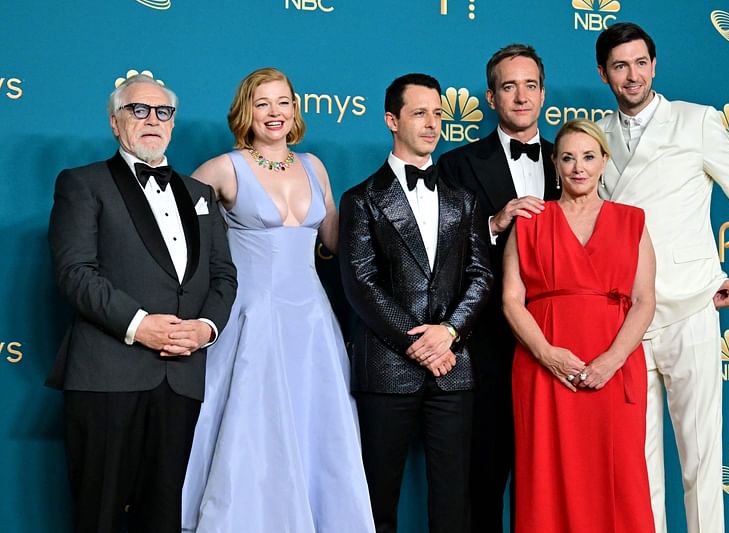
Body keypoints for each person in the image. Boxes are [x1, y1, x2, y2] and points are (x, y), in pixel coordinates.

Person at [594, 22, 729, 533]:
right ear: (603, 73)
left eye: (641, 63)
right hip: (625, 318)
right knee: (639, 463)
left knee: (700, 459)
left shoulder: (697, 122)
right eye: (620, 66)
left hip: (691, 308)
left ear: (654, 65)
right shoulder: (594, 137)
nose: (633, 75)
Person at [180, 68, 375, 532]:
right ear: (246, 110)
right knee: (249, 423)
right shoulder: (223, 168)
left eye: (283, 102)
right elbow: (176, 236)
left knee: (315, 423)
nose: (274, 113)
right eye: (263, 103)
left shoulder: (314, 165)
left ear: (294, 110)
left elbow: (333, 239)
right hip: (250, 317)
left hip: (310, 319)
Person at [47, 74, 238, 532]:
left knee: (163, 517)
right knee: (100, 515)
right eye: (138, 110)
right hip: (107, 376)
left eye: (163, 112)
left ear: (173, 124)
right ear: (115, 123)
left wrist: (205, 328)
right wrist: (140, 324)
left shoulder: (200, 194)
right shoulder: (82, 183)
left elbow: (224, 276)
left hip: (182, 378)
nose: (152, 120)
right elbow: (75, 273)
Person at [339, 73, 493, 533]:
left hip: (454, 366)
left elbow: (482, 275)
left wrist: (448, 334)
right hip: (387, 369)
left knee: (452, 500)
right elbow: (361, 284)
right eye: (420, 113)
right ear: (391, 120)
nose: (432, 124)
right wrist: (420, 343)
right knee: (376, 498)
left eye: (438, 113)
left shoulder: (465, 201)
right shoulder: (361, 199)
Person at [503, 118, 656, 533]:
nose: (578, 167)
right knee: (545, 477)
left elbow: (644, 301)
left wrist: (611, 360)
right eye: (568, 158)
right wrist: (547, 354)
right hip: (543, 367)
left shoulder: (632, 221)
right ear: (555, 163)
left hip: (614, 365)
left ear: (605, 161)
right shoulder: (531, 220)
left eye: (589, 157)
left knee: (619, 479)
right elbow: (511, 300)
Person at [437, 43, 557, 532]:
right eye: (509, 86)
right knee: (482, 470)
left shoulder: (570, 159)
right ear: (491, 97)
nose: (521, 96)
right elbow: (440, 253)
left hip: (555, 336)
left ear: (543, 92)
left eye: (530, 85)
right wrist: (492, 222)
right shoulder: (457, 164)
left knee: (552, 472)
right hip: (484, 339)